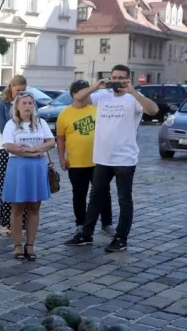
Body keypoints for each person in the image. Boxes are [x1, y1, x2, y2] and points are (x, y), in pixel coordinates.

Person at [67, 64, 159, 252]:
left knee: (124, 199)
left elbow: (153, 110)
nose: (117, 81)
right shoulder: (102, 96)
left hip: (124, 159)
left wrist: (133, 92)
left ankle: (121, 238)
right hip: (102, 157)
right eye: (114, 78)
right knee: (96, 196)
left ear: (128, 79)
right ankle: (86, 233)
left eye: (121, 78)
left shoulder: (133, 99)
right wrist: (97, 85)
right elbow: (78, 97)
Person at [56, 79, 114, 239]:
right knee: (79, 195)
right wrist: (62, 157)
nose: (87, 94)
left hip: (98, 161)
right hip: (76, 162)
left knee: (103, 192)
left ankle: (106, 223)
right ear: (74, 94)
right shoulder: (65, 114)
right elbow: (60, 138)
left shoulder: (95, 110)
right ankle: (80, 223)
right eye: (83, 91)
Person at [1, 92, 55, 261]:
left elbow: (51, 142)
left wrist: (32, 150)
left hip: (37, 167)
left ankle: (30, 244)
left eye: (30, 103)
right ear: (17, 106)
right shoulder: (11, 124)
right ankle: (17, 245)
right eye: (24, 103)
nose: (27, 106)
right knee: (17, 207)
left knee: (34, 206)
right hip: (19, 166)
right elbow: (8, 146)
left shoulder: (41, 123)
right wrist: (30, 151)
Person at [0, 74, 27, 236]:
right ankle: (6, 223)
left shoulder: (27, 103)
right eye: (18, 90)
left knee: (24, 186)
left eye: (23, 90)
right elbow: (2, 127)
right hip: (7, 149)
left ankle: (23, 222)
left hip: (25, 149)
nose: (21, 93)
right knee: (7, 186)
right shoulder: (3, 104)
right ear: (11, 88)